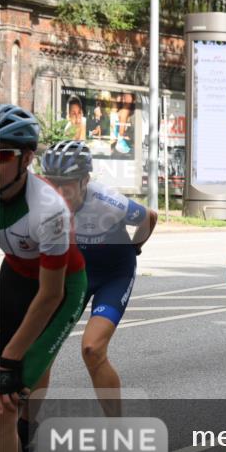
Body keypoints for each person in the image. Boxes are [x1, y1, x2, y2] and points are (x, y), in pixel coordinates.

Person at [0, 105, 87, 452]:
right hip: (15, 277)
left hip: (59, 291)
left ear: (27, 158)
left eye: (2, 155)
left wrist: (10, 360)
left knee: (3, 407)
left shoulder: (49, 209)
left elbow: (50, 297)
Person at [39, 140, 157, 418]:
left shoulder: (108, 201)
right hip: (76, 274)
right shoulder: (43, 201)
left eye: (66, 184)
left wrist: (136, 247)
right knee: (42, 351)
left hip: (114, 274)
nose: (58, 191)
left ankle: (116, 426)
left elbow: (149, 217)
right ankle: (24, 426)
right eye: (52, 183)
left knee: (92, 349)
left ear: (85, 181)